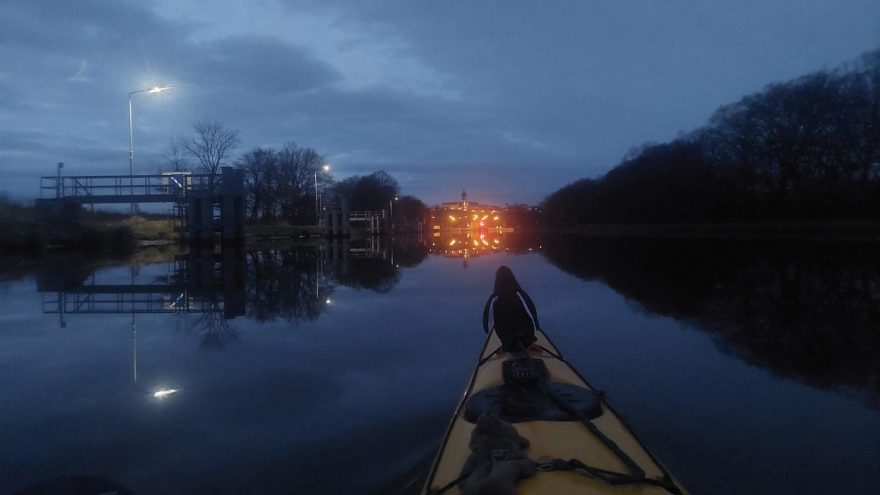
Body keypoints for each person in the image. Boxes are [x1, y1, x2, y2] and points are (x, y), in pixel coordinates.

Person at [482, 266, 540, 352]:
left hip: (508, 346)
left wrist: (489, 335)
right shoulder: (520, 294)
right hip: (527, 342)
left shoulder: (494, 299)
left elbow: (487, 324)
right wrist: (536, 330)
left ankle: (506, 347)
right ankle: (530, 344)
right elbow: (532, 313)